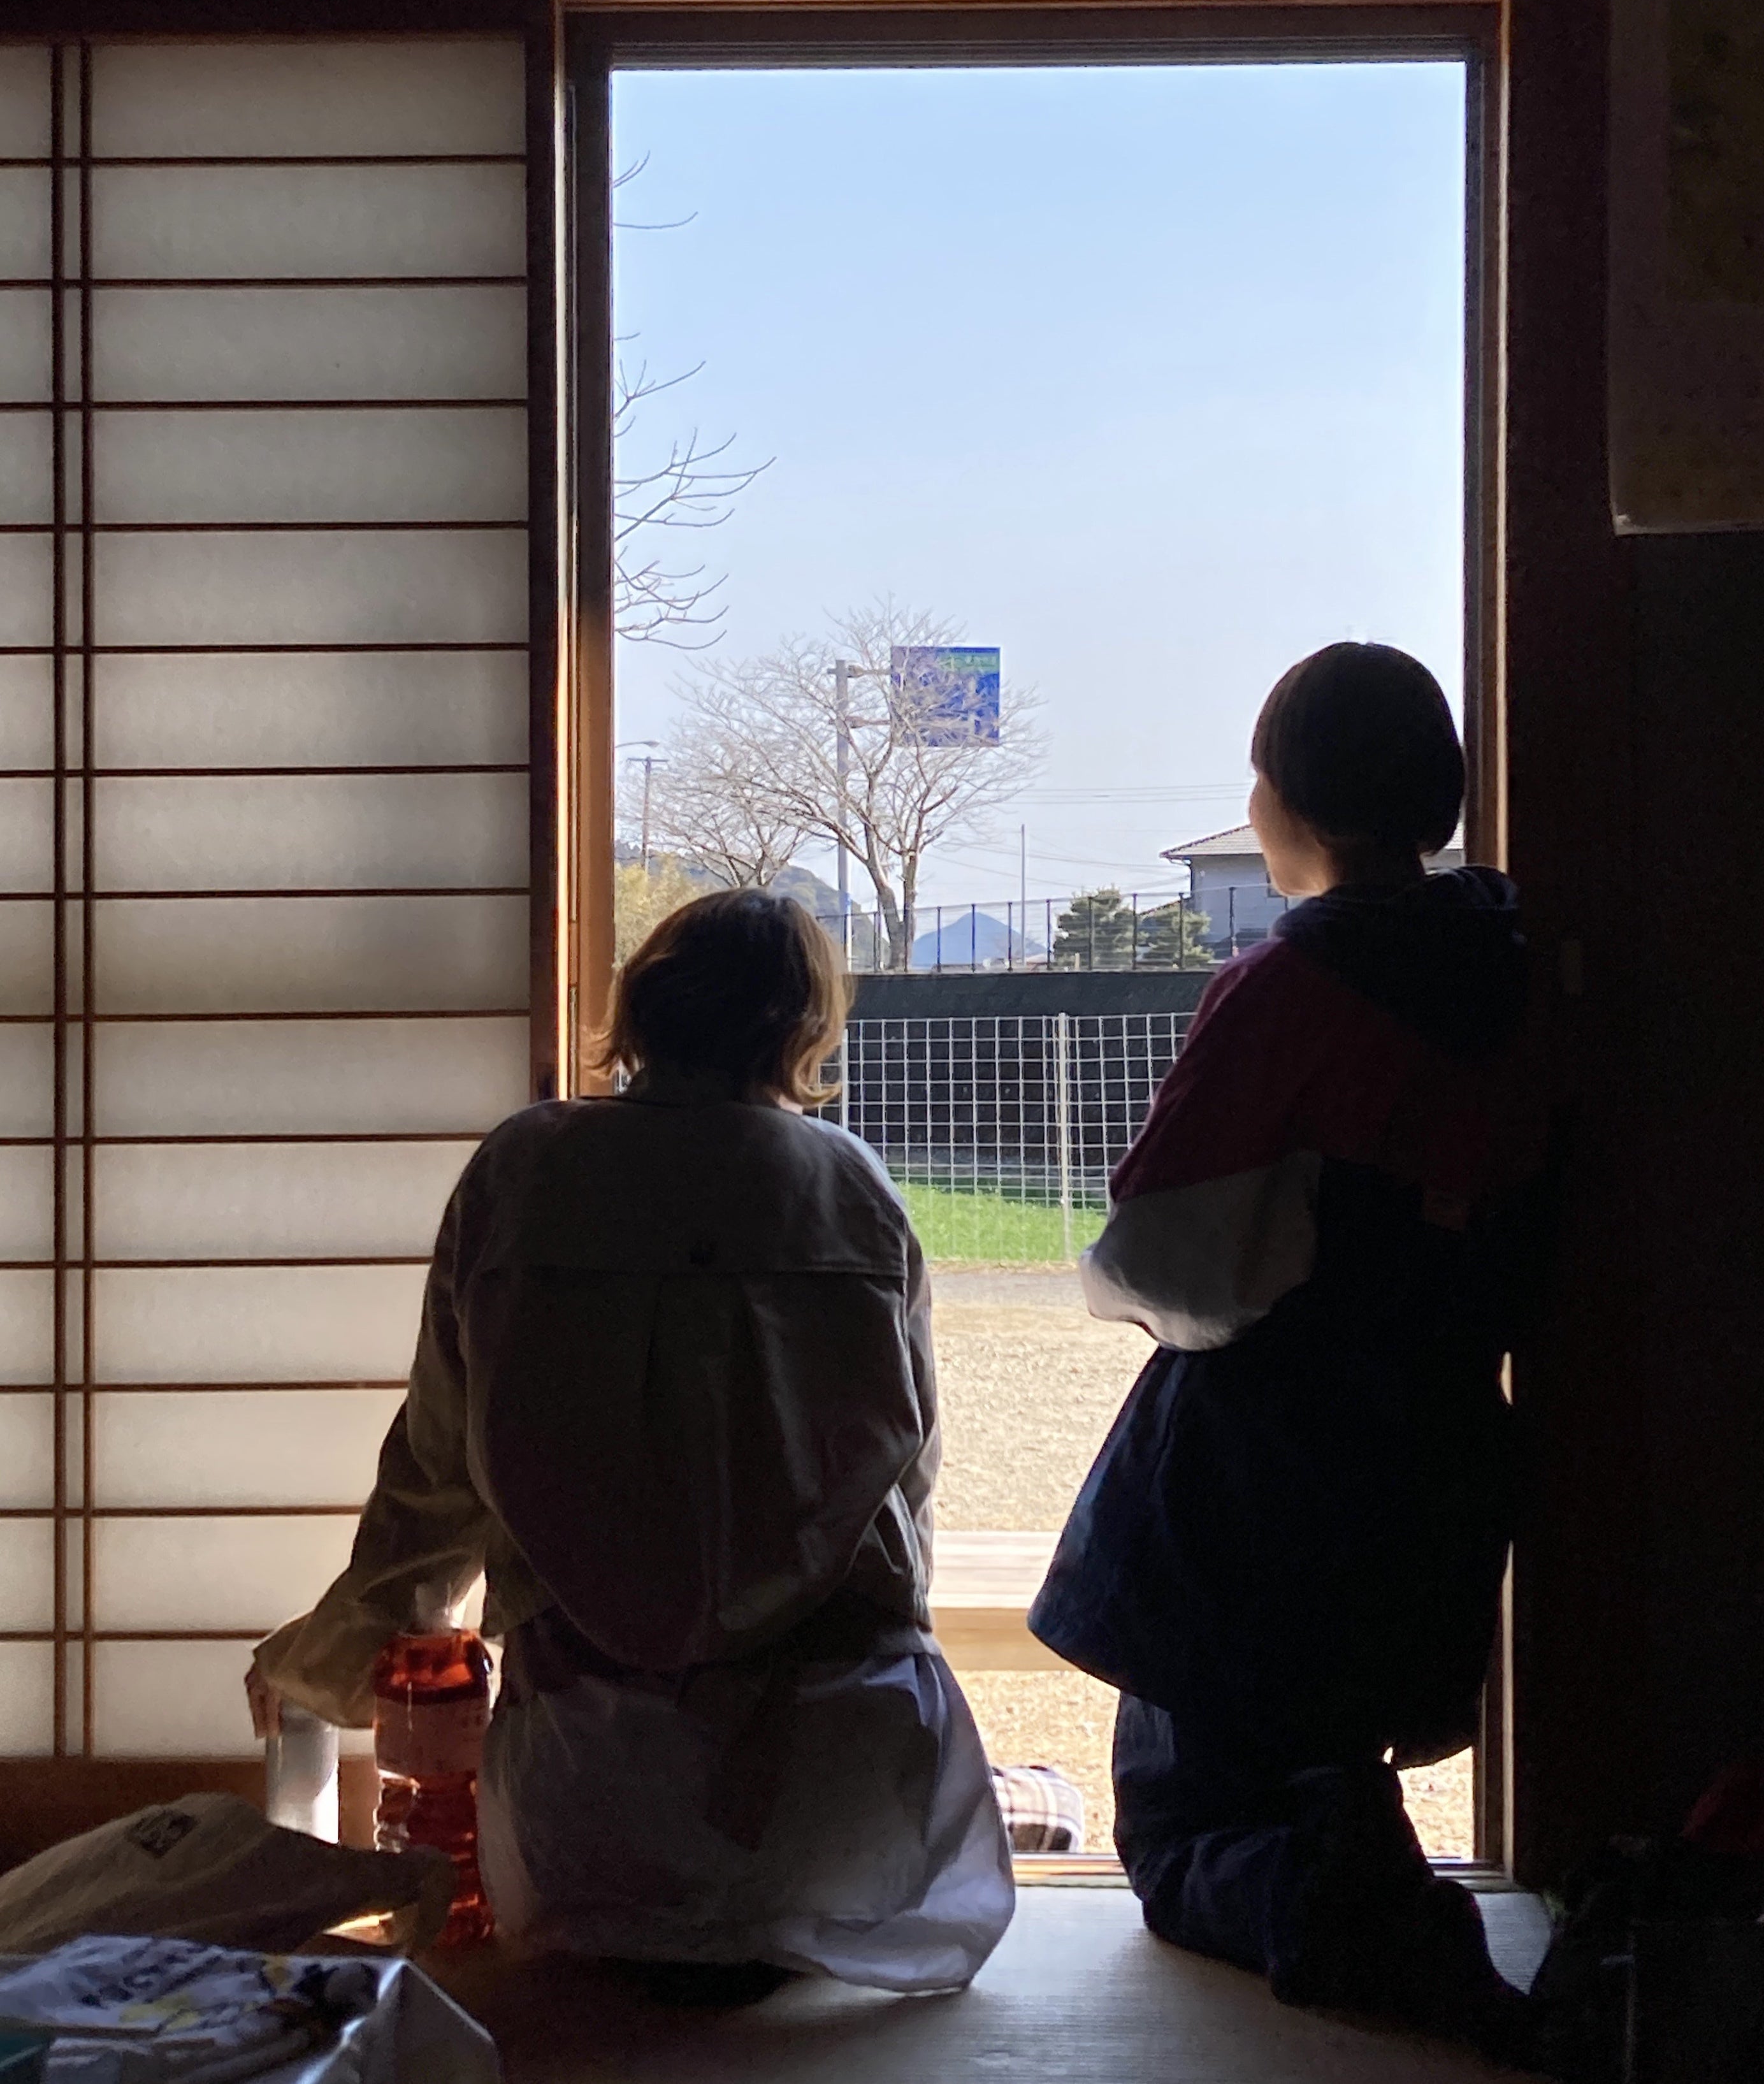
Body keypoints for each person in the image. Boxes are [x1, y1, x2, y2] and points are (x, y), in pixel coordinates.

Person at [249, 889, 1013, 2003]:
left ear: (642, 1005)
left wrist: (312, 1668)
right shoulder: (851, 1187)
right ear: (806, 1026)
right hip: (847, 1810)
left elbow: (434, 1491)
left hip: (584, 1809)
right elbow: (907, 1493)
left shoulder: (524, 1169)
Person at [1029, 643, 1544, 2059]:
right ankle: (1356, 1869)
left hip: (1263, 1470)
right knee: (1328, 1749)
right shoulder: (1522, 962)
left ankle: (1344, 1906)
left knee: (1184, 1831)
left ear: (1287, 800)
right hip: (1444, 1439)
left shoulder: (1291, 981)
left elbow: (1159, 1259)